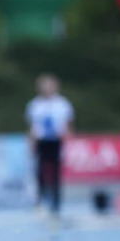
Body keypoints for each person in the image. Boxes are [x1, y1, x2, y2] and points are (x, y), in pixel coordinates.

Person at [25, 73, 74, 216]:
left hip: (56, 141)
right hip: (41, 141)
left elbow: (69, 124)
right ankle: (40, 201)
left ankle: (56, 204)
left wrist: (67, 136)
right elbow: (32, 127)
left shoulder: (63, 104)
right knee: (39, 171)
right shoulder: (34, 105)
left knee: (56, 172)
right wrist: (32, 143)